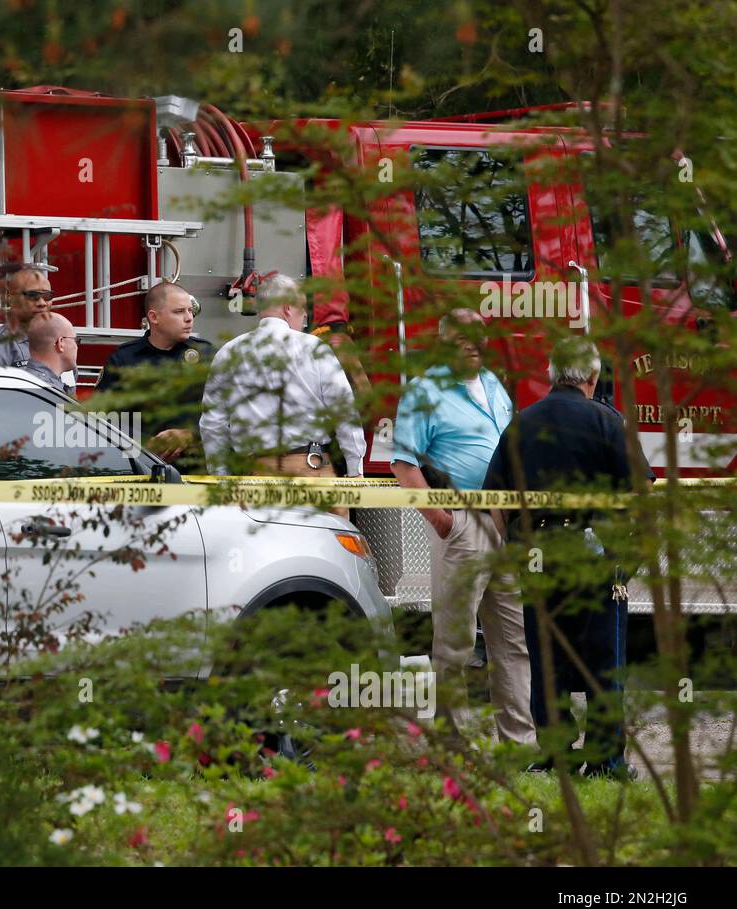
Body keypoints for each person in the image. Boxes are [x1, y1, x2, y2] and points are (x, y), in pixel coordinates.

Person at [484, 338, 651, 778]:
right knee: (603, 663)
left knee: (547, 662)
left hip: (540, 558)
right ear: (593, 378)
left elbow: (496, 501)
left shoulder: (521, 424)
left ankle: (555, 753)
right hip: (597, 558)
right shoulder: (608, 422)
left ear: (552, 374)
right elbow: (644, 495)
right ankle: (605, 760)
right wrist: (627, 562)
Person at [390, 308, 535, 747]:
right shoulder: (424, 392)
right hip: (463, 523)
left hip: (501, 522)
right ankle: (452, 737)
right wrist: (442, 519)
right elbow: (403, 464)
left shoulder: (493, 384)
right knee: (454, 640)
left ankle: (520, 741)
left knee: (513, 639)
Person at [199, 273, 365, 517]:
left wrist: (222, 480)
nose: (305, 320)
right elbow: (344, 413)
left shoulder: (228, 353)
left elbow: (212, 425)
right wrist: (355, 472)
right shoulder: (315, 348)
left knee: (262, 552)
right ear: (288, 308)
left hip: (255, 476)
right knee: (326, 550)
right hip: (312, 470)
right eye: (303, 312)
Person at [95, 281, 214, 465]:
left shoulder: (207, 355)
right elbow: (102, 421)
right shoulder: (124, 360)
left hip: (199, 468)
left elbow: (231, 413)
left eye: (190, 311)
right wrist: (144, 444)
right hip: (141, 470)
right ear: (154, 317)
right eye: (179, 311)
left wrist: (190, 434)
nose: (189, 318)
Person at [0, 263, 54, 369]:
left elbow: (68, 382)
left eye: (47, 296)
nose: (42, 303)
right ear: (11, 300)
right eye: (32, 295)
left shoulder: (59, 340)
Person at [24, 312, 77, 396]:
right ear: (61, 343)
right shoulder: (48, 393)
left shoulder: (26, 383)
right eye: (75, 340)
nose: (76, 346)